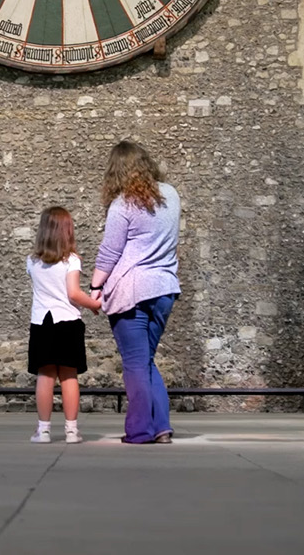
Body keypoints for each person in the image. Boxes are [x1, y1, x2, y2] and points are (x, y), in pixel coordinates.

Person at [90, 141, 182, 444]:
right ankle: (162, 427)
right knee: (146, 361)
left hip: (131, 292)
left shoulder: (122, 205)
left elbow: (109, 253)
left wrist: (94, 287)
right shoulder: (171, 195)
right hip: (165, 289)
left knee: (134, 363)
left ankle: (140, 430)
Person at [26, 206, 101, 444]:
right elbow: (73, 294)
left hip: (41, 322)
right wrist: (93, 305)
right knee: (69, 377)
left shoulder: (32, 261)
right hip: (68, 321)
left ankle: (44, 430)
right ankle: (71, 430)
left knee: (45, 376)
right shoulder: (72, 261)